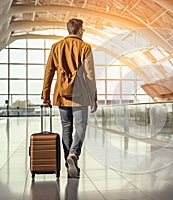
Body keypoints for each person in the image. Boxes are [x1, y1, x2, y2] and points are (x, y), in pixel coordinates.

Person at [41, 18, 98, 178]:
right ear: (80, 30)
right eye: (83, 29)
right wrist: (93, 96)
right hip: (80, 94)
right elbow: (90, 74)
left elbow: (49, 72)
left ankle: (69, 164)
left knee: (67, 128)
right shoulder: (85, 47)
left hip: (61, 93)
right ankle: (73, 154)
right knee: (81, 126)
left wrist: (45, 95)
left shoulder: (56, 47)